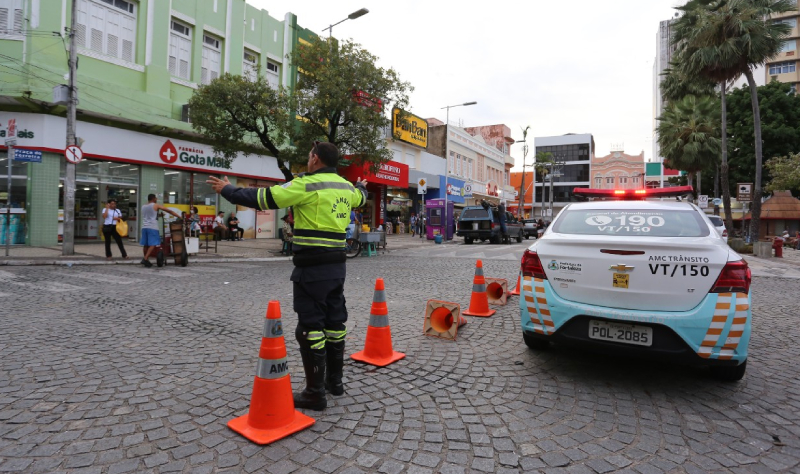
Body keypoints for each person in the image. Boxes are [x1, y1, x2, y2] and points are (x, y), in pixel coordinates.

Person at [207, 141, 367, 411]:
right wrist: (361, 185)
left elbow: (263, 199)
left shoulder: (307, 185)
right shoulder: (346, 188)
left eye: (308, 156)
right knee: (334, 321)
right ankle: (334, 383)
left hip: (311, 268)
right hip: (338, 267)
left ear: (315, 159)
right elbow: (362, 197)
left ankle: (315, 393)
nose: (307, 160)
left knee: (310, 328)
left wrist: (228, 190)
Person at [140, 194, 181, 267]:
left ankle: (146, 259)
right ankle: (145, 258)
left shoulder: (143, 206)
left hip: (144, 227)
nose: (156, 199)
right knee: (153, 244)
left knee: (145, 244)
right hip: (152, 227)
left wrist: (159, 215)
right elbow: (169, 211)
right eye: (156, 198)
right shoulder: (156, 205)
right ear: (153, 199)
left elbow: (150, 216)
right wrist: (179, 216)